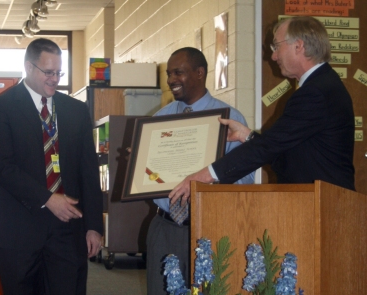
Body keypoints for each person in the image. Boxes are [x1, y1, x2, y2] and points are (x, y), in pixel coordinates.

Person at [169, 16, 355, 208]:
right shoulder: (321, 85)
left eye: (277, 46)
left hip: (326, 208)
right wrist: (248, 136)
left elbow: (269, 146)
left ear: (298, 46)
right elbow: (284, 151)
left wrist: (204, 176)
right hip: (321, 205)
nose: (273, 56)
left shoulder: (315, 92)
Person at [0, 38, 103, 295]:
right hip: (17, 231)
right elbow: (2, 165)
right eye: (48, 72)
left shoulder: (76, 110)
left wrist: (93, 226)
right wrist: (47, 199)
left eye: (59, 72)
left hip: (67, 232)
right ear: (28, 67)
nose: (54, 79)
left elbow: (88, 171)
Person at [146, 47, 255, 294]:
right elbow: (151, 177)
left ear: (199, 73)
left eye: (178, 72)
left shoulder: (229, 118)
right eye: (169, 74)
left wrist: (210, 184)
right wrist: (140, 167)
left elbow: (245, 179)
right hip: (165, 229)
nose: (171, 80)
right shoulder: (159, 119)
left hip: (211, 227)